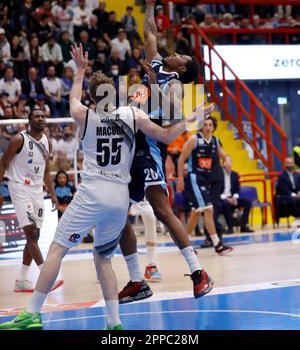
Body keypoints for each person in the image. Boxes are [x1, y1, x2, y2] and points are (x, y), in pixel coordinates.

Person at [0, 44, 209, 331]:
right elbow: (166, 132)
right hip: (120, 197)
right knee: (104, 259)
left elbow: (74, 98)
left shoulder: (84, 115)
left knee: (57, 250)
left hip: (93, 192)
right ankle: (114, 323)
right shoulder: (131, 114)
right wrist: (191, 118)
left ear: (91, 96)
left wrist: (80, 71)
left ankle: (33, 314)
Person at [118, 0, 214, 305]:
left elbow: (169, 112)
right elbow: (149, 35)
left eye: (182, 55)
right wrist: (149, 4)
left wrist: (155, 84)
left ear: (183, 68)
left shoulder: (174, 84)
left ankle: (198, 272)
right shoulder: (157, 63)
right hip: (130, 143)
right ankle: (136, 280)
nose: (176, 52)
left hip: (150, 145)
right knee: (117, 214)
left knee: (161, 210)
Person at [0, 109, 63, 293]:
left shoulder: (46, 142)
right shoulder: (19, 140)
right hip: (19, 186)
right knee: (31, 233)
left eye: (43, 116)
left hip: (36, 190)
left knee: (34, 236)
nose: (41, 118)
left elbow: (45, 171)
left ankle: (21, 279)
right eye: (37, 116)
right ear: (29, 120)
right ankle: (46, 278)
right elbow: (3, 163)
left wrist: (52, 193)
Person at [176, 120, 233, 255]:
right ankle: (217, 244)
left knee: (196, 212)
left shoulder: (215, 140)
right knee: (209, 210)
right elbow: (181, 159)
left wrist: (228, 161)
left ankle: (184, 244)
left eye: (210, 125)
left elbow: (224, 156)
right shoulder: (194, 139)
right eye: (205, 125)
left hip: (206, 179)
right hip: (195, 178)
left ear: (214, 127)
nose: (207, 127)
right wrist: (180, 179)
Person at [219, 156, 254, 233]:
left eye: (230, 162)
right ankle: (230, 227)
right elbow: (217, 191)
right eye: (227, 162)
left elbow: (237, 189)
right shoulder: (219, 175)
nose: (229, 165)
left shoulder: (235, 175)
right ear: (223, 164)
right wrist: (227, 199)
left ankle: (244, 225)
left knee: (247, 202)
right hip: (222, 198)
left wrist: (235, 197)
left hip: (232, 197)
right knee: (226, 204)